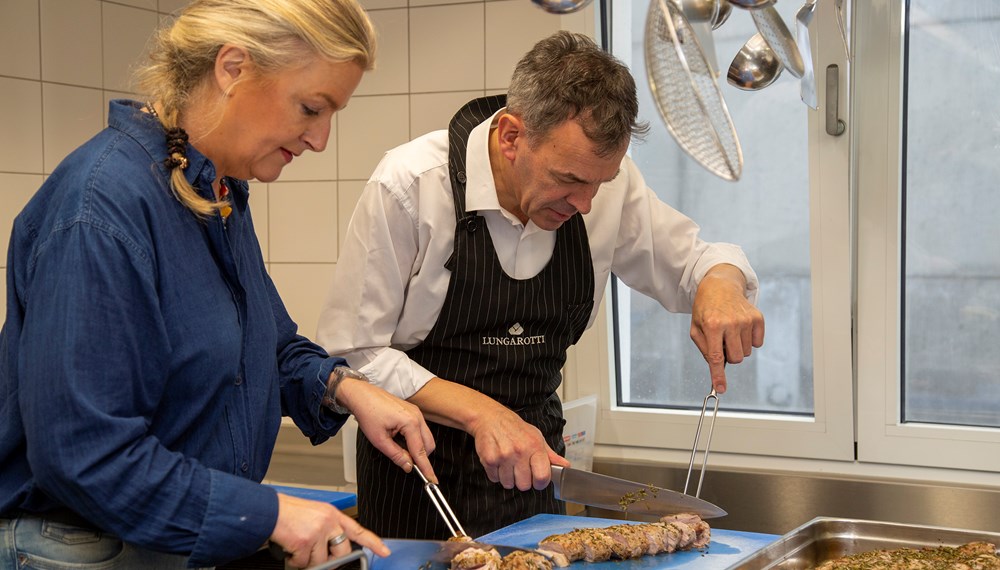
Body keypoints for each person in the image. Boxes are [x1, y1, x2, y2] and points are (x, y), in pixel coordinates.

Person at [0, 1, 438, 569]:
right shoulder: (102, 207)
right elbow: (84, 453)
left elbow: (266, 346)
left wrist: (347, 388)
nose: (321, 139)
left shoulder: (214, 191)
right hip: (80, 551)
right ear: (232, 68)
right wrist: (271, 513)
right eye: (311, 107)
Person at [315, 30, 766, 540]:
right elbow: (351, 353)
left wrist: (720, 286)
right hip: (415, 478)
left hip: (535, 472)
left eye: (600, 183)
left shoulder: (605, 187)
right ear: (511, 137)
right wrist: (481, 414)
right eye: (568, 179)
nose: (587, 204)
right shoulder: (412, 185)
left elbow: (697, 263)